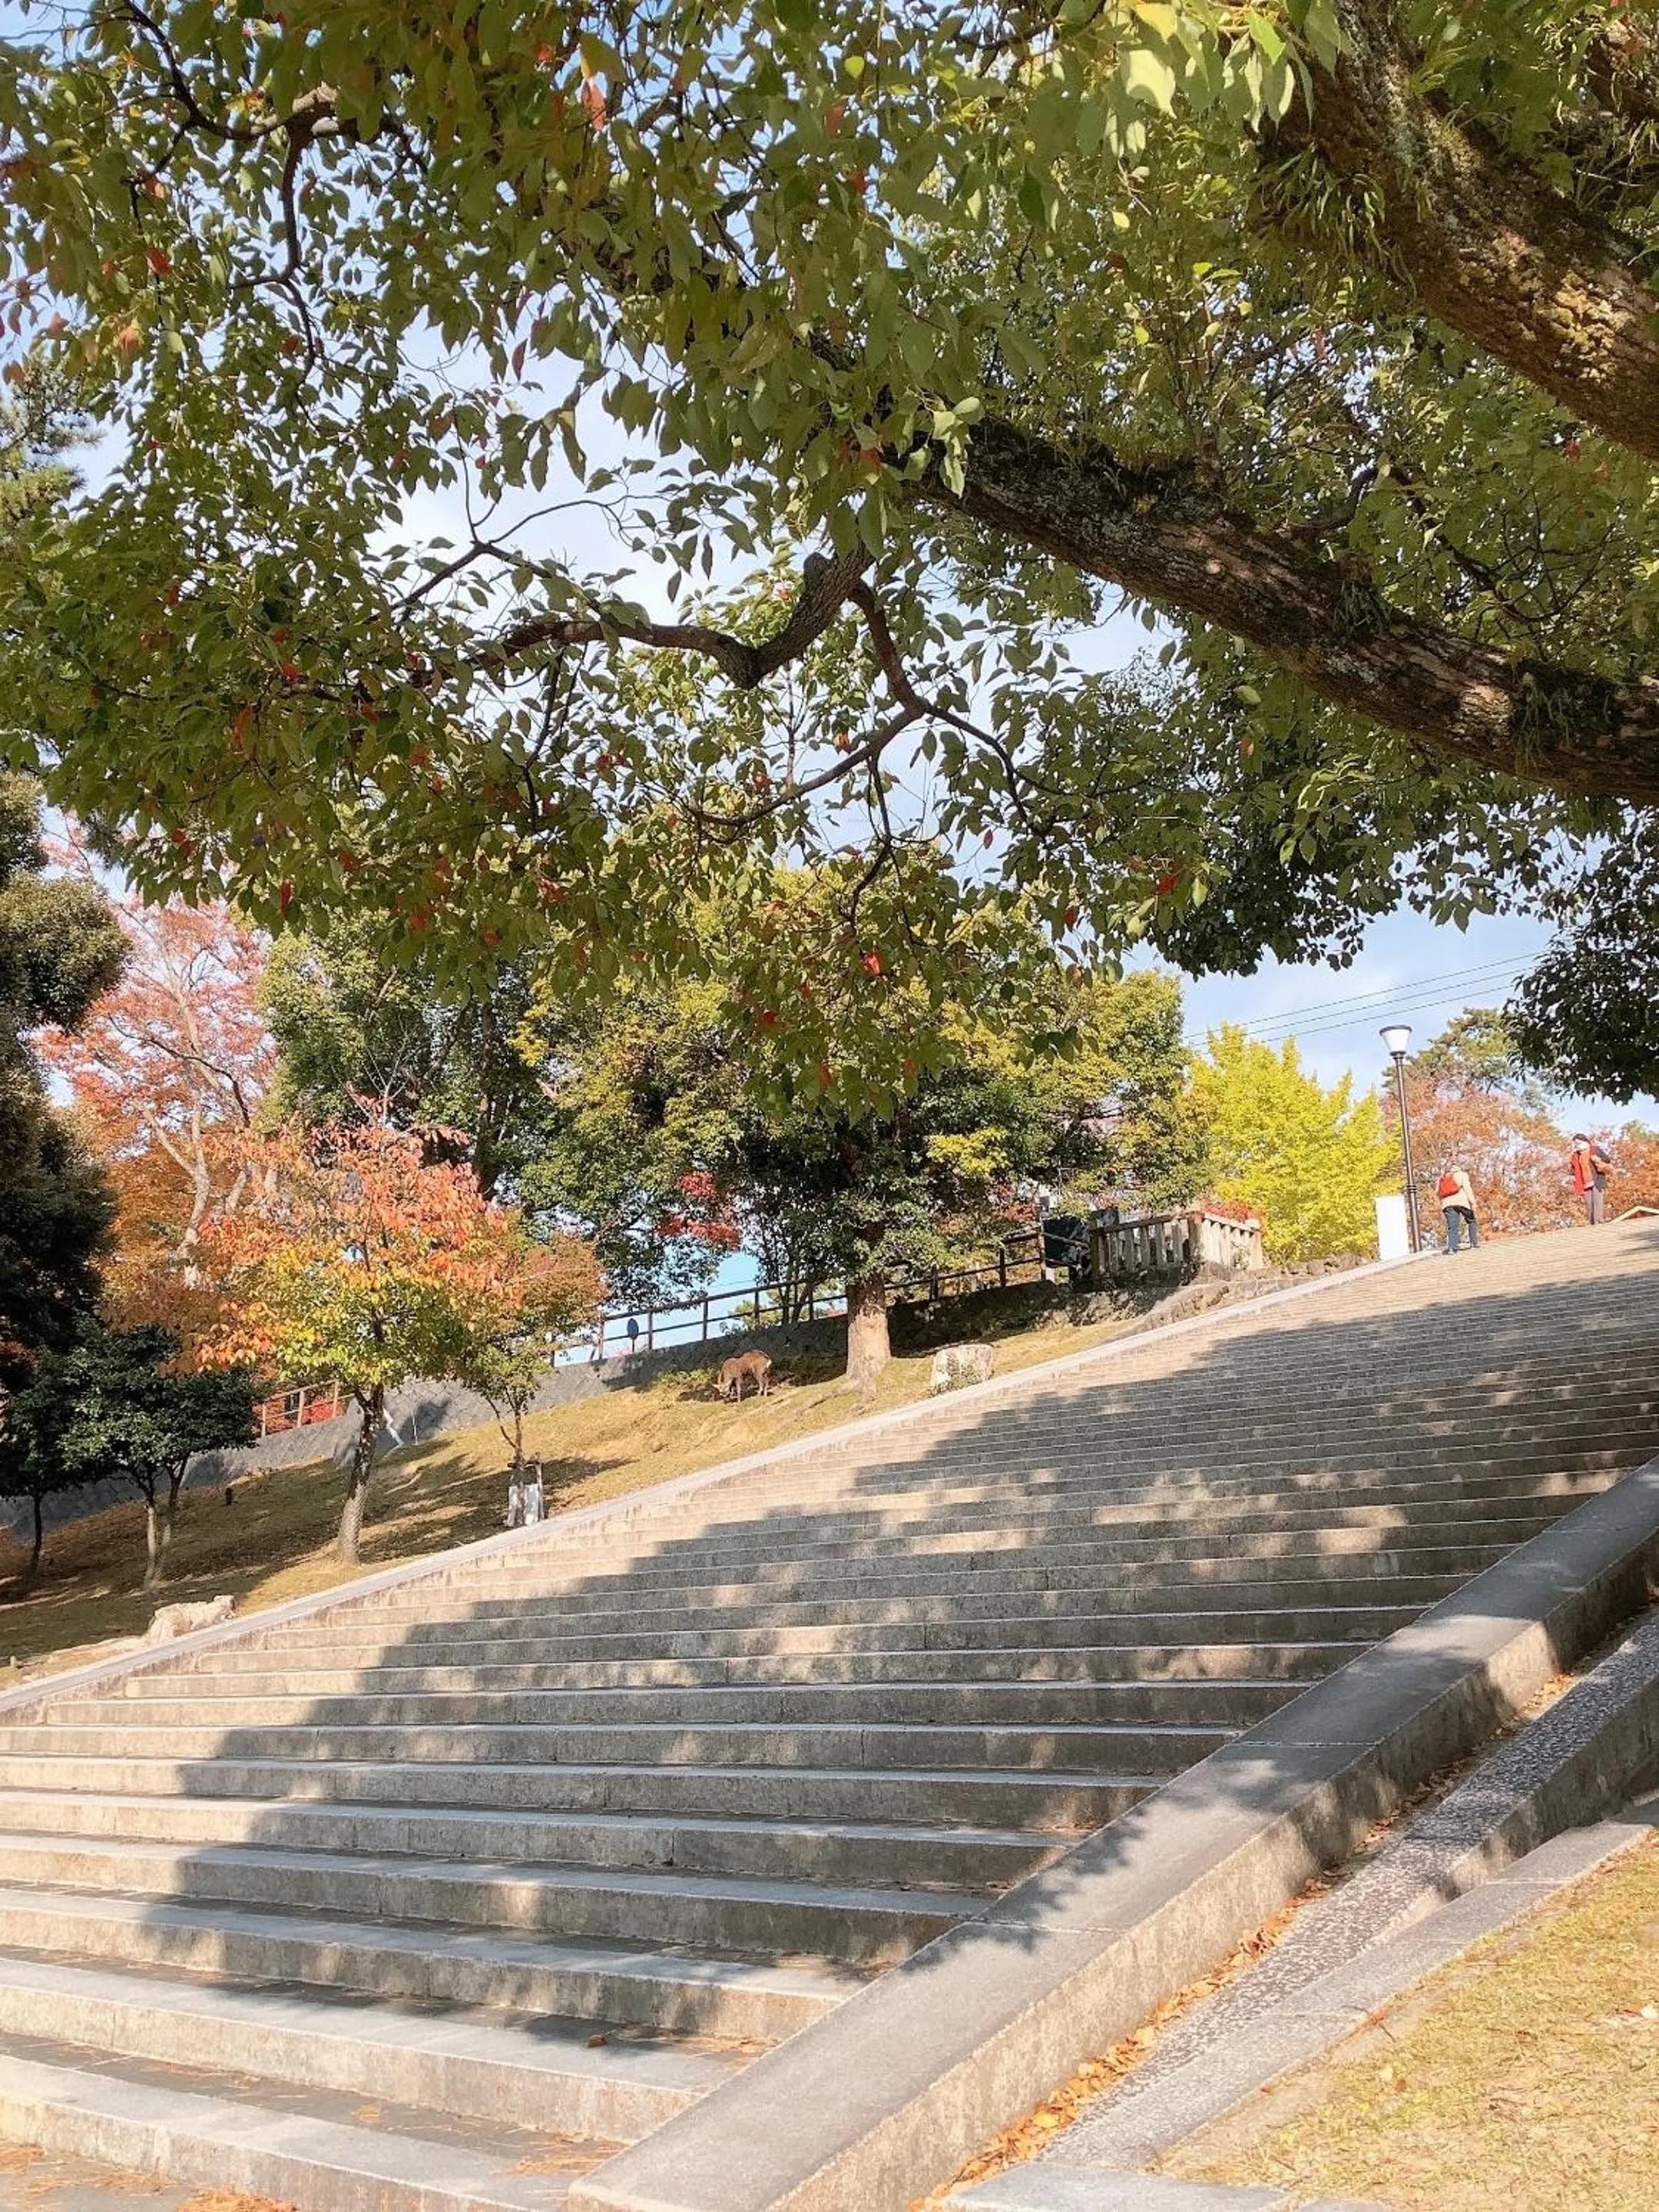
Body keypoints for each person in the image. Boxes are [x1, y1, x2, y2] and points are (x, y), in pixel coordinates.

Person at [1570, 1134, 1613, 1224]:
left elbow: (1607, 1160)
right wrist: (1573, 1175)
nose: (1578, 1145)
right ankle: (1592, 1222)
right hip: (1584, 1182)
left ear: (1585, 1142)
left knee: (1597, 1201)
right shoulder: (1576, 1155)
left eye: (1579, 1143)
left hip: (1596, 1179)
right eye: (1576, 1144)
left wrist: (1598, 1159)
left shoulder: (1594, 1150)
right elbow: (1573, 1167)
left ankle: (1599, 1221)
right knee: (1589, 1203)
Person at [1437, 1164, 1479, 1253]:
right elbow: (1467, 1189)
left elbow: (1438, 1192)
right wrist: (1473, 1202)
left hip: (1447, 1204)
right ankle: (1474, 1243)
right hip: (1462, 1202)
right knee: (1471, 1220)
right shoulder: (1462, 1174)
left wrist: (1443, 1202)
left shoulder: (1443, 1178)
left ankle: (1452, 1247)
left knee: (1452, 1226)